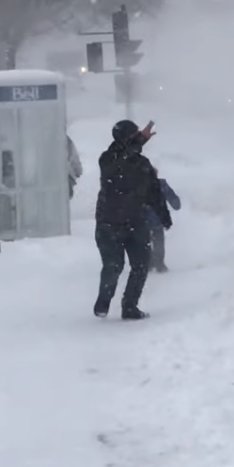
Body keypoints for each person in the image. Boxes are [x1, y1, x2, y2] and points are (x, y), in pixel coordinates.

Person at [93, 119, 163, 321]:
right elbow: (120, 160)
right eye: (133, 136)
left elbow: (154, 192)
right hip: (109, 223)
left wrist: (163, 216)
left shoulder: (143, 164)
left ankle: (130, 306)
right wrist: (139, 140)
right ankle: (104, 301)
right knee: (114, 265)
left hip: (135, 222)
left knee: (141, 264)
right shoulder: (107, 159)